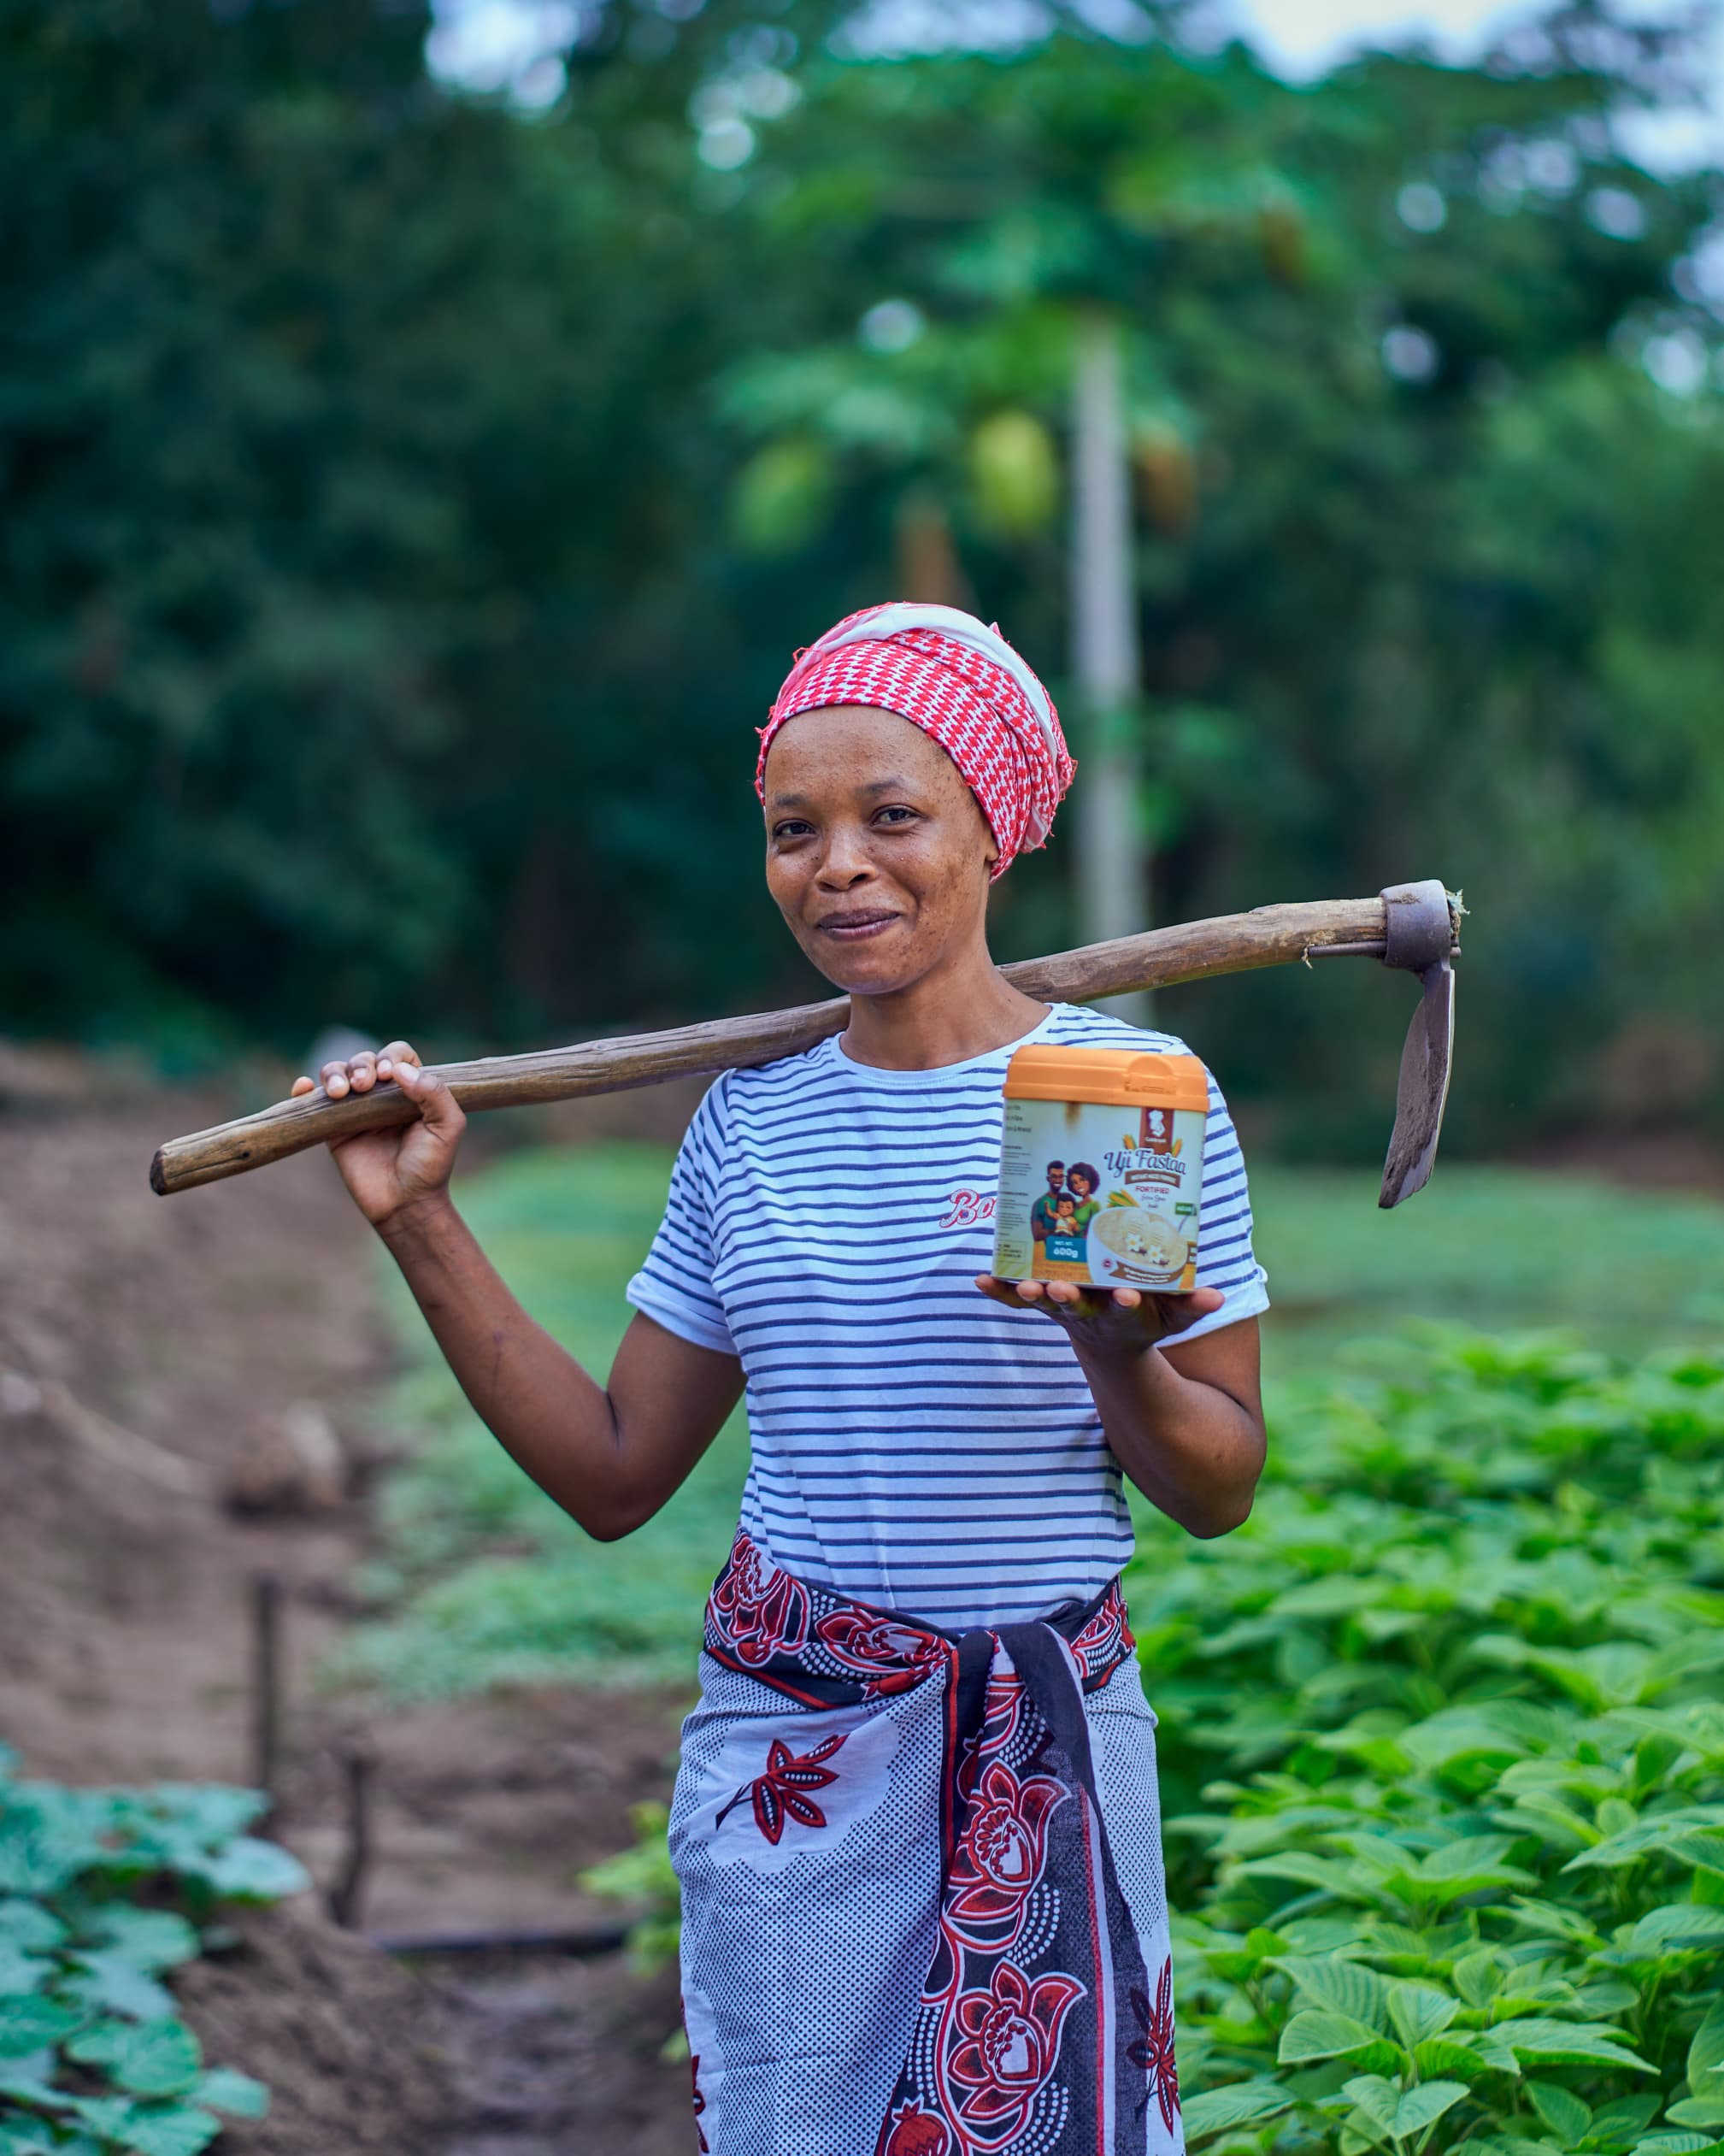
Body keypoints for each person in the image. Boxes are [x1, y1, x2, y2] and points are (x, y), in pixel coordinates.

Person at [291, 599, 1269, 2156]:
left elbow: (1215, 1483)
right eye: (793, 827)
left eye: (895, 816)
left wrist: (1109, 1352)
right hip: (798, 1751)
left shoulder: (1115, 1099)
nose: (839, 866)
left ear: (992, 828)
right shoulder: (751, 1126)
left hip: (1049, 1733)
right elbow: (615, 1475)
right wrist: (419, 1220)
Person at [1030, 1158, 1067, 1242]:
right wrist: (1060, 1230)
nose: (1058, 1180)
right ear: (1048, 1178)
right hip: (1048, 1252)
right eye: (1054, 1176)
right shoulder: (1039, 1203)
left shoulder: (1068, 1201)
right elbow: (1037, 1234)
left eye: (1061, 1176)